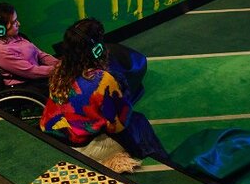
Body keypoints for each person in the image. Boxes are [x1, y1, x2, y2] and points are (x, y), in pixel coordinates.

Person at [40, 18, 167, 171]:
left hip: (60, 136)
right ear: (97, 48)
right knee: (139, 121)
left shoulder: (58, 71)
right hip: (88, 144)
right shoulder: (103, 80)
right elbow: (118, 125)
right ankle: (165, 162)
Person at [0, 2, 58, 100]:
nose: (19, 24)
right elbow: (31, 71)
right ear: (1, 28)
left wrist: (60, 64)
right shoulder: (0, 52)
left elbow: (40, 55)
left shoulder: (19, 37)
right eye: (14, 22)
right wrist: (59, 70)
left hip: (37, 79)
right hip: (25, 86)